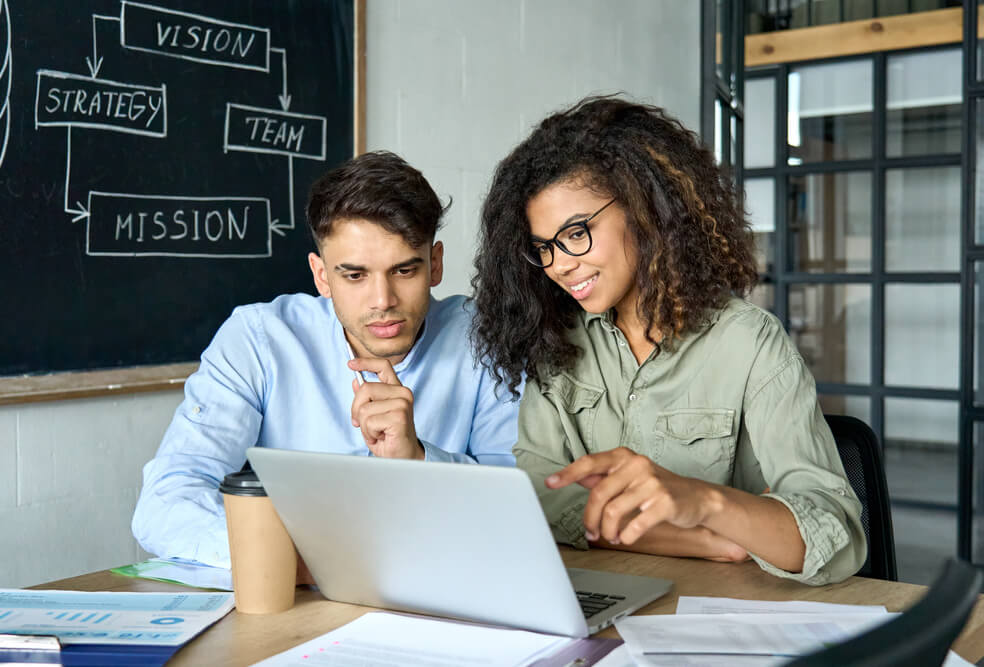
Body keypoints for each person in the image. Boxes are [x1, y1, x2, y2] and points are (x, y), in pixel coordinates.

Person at [470, 97, 866, 586]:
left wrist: (702, 501)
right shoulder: (556, 343)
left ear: (644, 209)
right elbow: (537, 500)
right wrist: (705, 539)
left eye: (576, 233)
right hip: (600, 600)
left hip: (728, 617)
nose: (560, 264)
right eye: (544, 248)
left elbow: (836, 537)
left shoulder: (750, 344)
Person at [133, 151, 519, 569]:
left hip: (445, 587)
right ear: (321, 276)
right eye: (354, 276)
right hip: (297, 595)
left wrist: (418, 460)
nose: (383, 301)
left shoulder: (485, 337)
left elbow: (516, 505)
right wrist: (292, 556)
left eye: (405, 271)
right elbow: (167, 497)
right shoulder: (258, 339)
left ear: (436, 263)